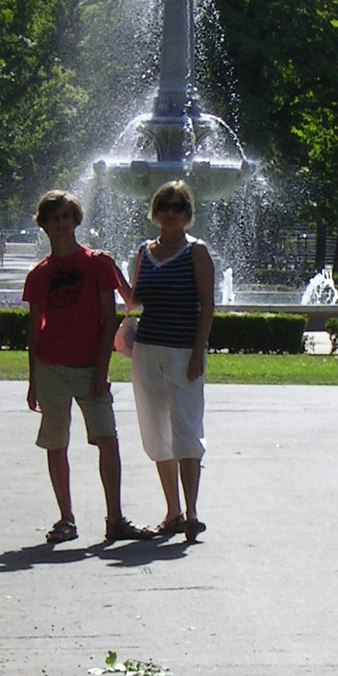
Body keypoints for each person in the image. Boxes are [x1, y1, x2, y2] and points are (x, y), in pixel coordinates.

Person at [23, 189, 153, 545]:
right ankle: (66, 519)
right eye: (53, 218)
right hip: (50, 368)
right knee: (56, 444)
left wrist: (100, 370)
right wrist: (33, 381)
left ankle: (115, 519)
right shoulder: (38, 275)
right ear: (44, 225)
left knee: (107, 440)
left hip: (89, 369)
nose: (60, 224)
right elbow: (34, 331)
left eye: (66, 216)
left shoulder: (97, 263)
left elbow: (109, 319)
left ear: (75, 221)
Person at [128, 179, 215, 541]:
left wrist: (198, 352)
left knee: (187, 431)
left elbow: (207, 306)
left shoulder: (197, 251)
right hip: (147, 350)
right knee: (156, 432)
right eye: (164, 205)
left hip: (183, 353)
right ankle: (173, 512)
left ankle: (192, 511)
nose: (170, 212)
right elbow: (134, 301)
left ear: (188, 213)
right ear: (154, 211)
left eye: (178, 206)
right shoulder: (143, 252)